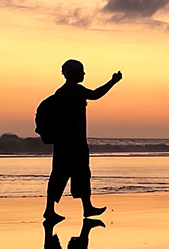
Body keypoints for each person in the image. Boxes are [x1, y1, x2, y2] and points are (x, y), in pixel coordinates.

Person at [41, 60, 122, 225]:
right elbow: (95, 95)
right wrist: (113, 82)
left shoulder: (60, 92)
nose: (84, 74)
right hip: (75, 142)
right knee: (81, 174)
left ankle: (53, 210)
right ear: (73, 73)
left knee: (60, 175)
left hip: (62, 143)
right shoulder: (75, 90)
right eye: (81, 71)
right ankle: (83, 207)